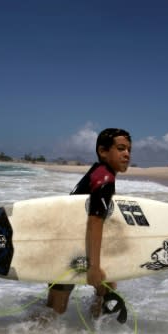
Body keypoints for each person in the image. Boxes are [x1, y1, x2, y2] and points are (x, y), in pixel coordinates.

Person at [46, 128, 132, 317]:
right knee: (56, 312)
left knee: (106, 286)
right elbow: (95, 220)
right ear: (103, 151)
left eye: (128, 150)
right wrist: (94, 267)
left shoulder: (97, 172)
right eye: (121, 148)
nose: (127, 154)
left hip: (62, 241)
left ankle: (94, 331)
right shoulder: (105, 178)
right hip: (69, 248)